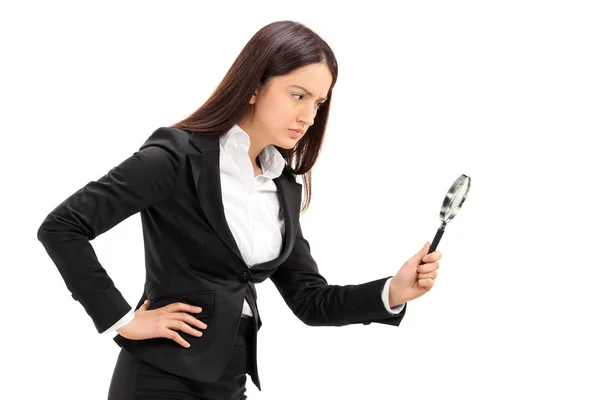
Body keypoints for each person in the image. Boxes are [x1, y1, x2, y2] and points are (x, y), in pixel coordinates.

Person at [36, 20, 442, 400]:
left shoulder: (279, 184)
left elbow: (309, 300)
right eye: (297, 95)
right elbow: (62, 227)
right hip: (158, 381)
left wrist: (393, 291)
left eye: (318, 102)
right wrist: (123, 319)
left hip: (230, 382)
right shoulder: (176, 157)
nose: (308, 115)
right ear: (253, 86)